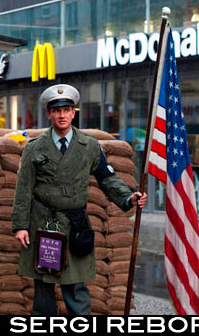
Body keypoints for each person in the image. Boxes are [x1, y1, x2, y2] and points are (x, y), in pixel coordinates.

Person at [11, 83, 147, 316]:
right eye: (56, 111)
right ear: (49, 114)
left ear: (74, 113)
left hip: (75, 224)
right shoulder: (34, 147)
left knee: (75, 288)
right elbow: (23, 189)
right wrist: (21, 226)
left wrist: (127, 197)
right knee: (43, 289)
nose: (62, 115)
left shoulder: (90, 146)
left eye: (67, 110)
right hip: (43, 223)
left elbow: (107, 178)